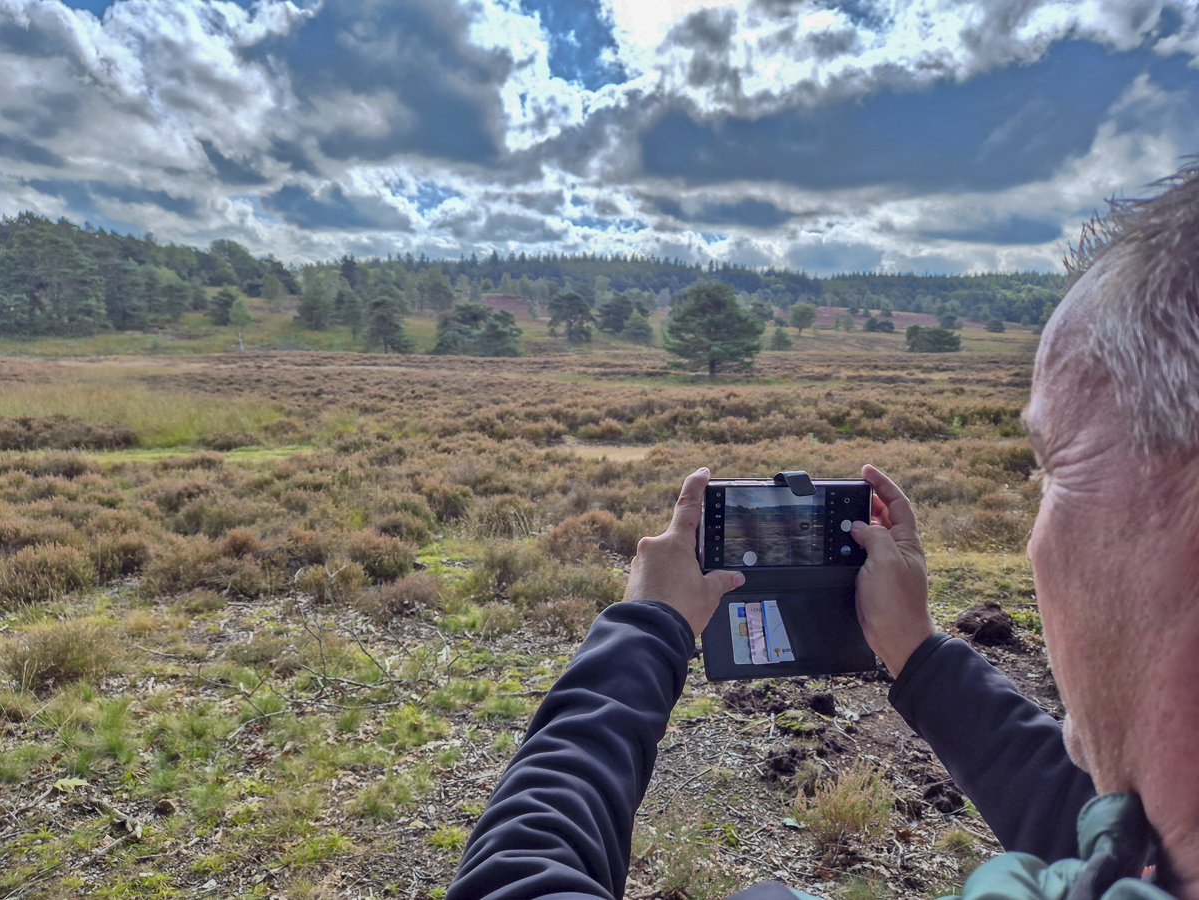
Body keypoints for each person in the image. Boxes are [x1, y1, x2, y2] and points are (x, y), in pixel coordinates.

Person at [446, 159, 1199, 900]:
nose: (1035, 532)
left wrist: (647, 627)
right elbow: (1095, 834)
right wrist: (916, 649)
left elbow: (516, 877)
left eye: (1051, 467)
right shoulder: (1149, 858)